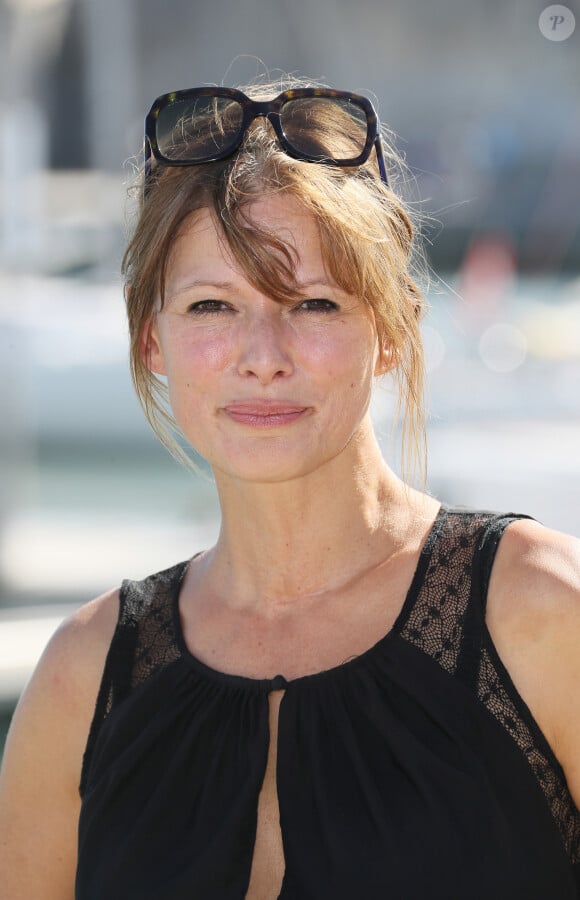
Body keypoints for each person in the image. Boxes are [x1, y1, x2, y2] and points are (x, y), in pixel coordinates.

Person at [0, 79, 579, 900]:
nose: (262, 354)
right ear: (151, 338)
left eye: (312, 302)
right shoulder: (83, 676)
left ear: (392, 331)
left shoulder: (544, 612)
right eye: (212, 305)